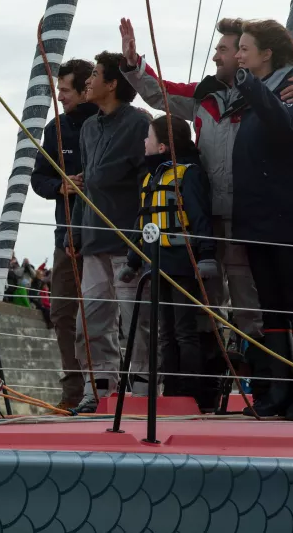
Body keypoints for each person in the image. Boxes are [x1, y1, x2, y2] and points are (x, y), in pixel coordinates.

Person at [119, 16, 293, 411]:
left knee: (255, 310)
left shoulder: (284, 93)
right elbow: (160, 94)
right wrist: (134, 66)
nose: (215, 55)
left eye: (224, 49)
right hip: (206, 220)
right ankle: (205, 397)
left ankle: (273, 391)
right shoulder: (208, 96)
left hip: (255, 216)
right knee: (204, 313)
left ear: (244, 55)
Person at [231, 19, 293, 421]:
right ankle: (277, 389)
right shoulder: (253, 93)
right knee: (270, 305)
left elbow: (288, 131)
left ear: (266, 54)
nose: (238, 55)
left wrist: (253, 89)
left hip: (289, 215)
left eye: (244, 48)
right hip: (256, 214)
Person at [67, 51, 152, 413]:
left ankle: (143, 392)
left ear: (113, 83)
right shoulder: (88, 127)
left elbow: (146, 182)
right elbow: (87, 183)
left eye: (96, 74)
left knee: (137, 323)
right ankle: (98, 390)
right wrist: (73, 231)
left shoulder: (139, 124)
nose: (89, 80)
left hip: (128, 241)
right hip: (92, 238)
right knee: (90, 320)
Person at [119, 115, 216, 408]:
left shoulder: (189, 174)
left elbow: (200, 218)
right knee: (165, 333)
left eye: (148, 137)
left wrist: (207, 255)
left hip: (182, 264)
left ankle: (190, 392)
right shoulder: (150, 178)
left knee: (185, 331)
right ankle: (171, 391)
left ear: (162, 146)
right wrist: (133, 262)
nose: (143, 142)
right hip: (155, 265)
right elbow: (143, 226)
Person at [31, 58, 97, 410]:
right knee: (62, 313)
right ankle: (73, 390)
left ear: (88, 88)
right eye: (59, 89)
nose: (60, 96)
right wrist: (61, 187)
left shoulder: (113, 123)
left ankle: (103, 386)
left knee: (101, 313)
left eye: (66, 90)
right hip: (66, 237)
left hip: (104, 237)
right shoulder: (56, 128)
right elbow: (38, 179)